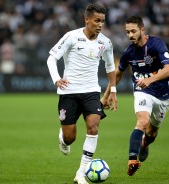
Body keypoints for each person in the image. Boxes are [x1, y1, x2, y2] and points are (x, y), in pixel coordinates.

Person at [47, 3, 117, 184]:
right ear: (87, 20)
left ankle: (81, 173)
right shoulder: (71, 37)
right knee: (70, 137)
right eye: (96, 21)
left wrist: (112, 91)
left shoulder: (106, 42)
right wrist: (56, 79)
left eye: (102, 21)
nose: (100, 25)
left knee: (93, 126)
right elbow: (51, 58)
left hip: (91, 91)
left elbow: (110, 67)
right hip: (69, 92)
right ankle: (63, 139)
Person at [101, 15, 169, 176]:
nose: (130, 35)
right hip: (143, 92)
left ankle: (144, 145)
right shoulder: (129, 53)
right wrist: (106, 95)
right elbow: (117, 75)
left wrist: (150, 79)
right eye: (127, 32)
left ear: (142, 30)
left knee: (152, 133)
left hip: (163, 95)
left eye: (133, 31)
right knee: (142, 122)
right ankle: (132, 160)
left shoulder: (156, 44)